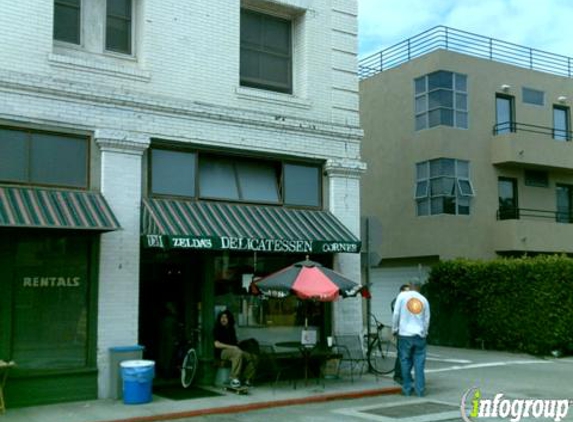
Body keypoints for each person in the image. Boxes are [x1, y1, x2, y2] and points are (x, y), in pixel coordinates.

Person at [392, 281, 430, 397]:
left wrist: (394, 329)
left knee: (404, 361)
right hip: (419, 336)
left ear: (410, 285)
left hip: (404, 335)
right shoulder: (423, 300)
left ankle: (407, 388)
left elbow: (396, 314)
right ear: (420, 287)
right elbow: (427, 318)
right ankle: (420, 390)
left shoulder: (402, 296)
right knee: (419, 364)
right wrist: (424, 332)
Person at [213, 309, 257, 388]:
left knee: (253, 357)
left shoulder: (231, 329)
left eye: (225, 317)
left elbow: (235, 343)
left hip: (235, 350)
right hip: (222, 352)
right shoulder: (217, 329)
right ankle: (234, 378)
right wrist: (232, 347)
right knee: (237, 353)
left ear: (229, 319)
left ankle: (247, 378)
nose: (223, 319)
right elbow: (216, 344)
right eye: (222, 317)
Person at [390, 284, 410, 385]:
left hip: (408, 332)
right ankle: (398, 375)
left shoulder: (407, 302)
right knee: (401, 354)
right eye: (406, 291)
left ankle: (406, 375)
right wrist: (394, 330)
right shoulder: (396, 302)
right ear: (401, 292)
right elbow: (396, 316)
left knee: (408, 354)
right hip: (400, 331)